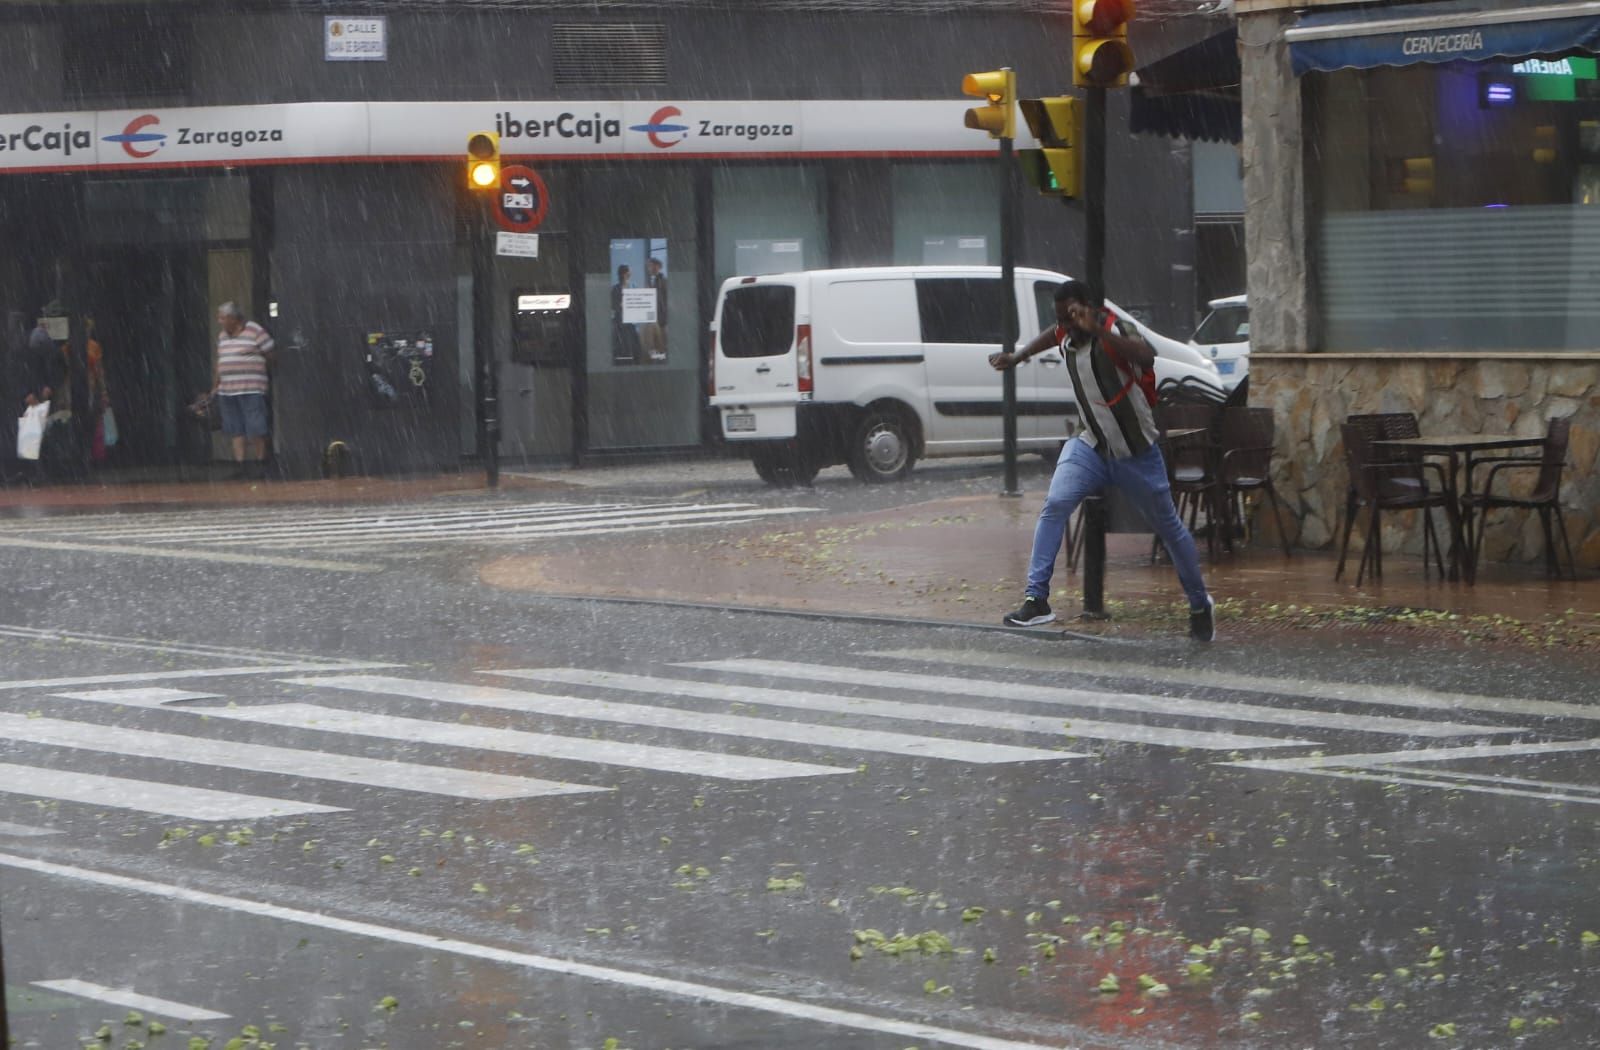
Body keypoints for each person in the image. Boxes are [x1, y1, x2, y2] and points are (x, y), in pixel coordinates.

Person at [989, 279, 1215, 642]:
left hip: (1136, 453)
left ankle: (1199, 603)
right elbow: (1052, 334)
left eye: (1074, 316)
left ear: (1092, 311)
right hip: (1090, 446)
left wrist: (1097, 329)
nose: (1067, 325)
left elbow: (1145, 356)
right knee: (1056, 504)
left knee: (1169, 528)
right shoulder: (1066, 333)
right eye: (1063, 318)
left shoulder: (1113, 329)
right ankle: (1037, 600)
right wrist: (1018, 357)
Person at [209, 301, 274, 480]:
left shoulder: (255, 331)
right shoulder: (222, 336)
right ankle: (241, 466)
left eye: (222, 318)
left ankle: (261, 465)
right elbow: (220, 362)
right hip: (228, 390)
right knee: (235, 429)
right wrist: (215, 386)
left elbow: (270, 354)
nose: (219, 321)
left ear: (233, 318)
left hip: (251, 388)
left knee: (256, 427)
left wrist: (258, 372)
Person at [610, 264, 641, 365]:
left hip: (632, 321)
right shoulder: (615, 288)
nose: (630, 273)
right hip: (621, 321)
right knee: (624, 344)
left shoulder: (634, 286)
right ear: (623, 273)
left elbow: (638, 302)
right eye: (628, 272)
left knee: (634, 344)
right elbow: (612, 305)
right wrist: (620, 305)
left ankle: (634, 363)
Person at [641, 256, 668, 363]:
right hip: (651, 318)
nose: (650, 268)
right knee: (650, 346)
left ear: (658, 267)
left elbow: (665, 300)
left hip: (660, 319)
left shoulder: (663, 281)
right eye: (649, 266)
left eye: (652, 266)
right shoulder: (648, 281)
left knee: (660, 346)